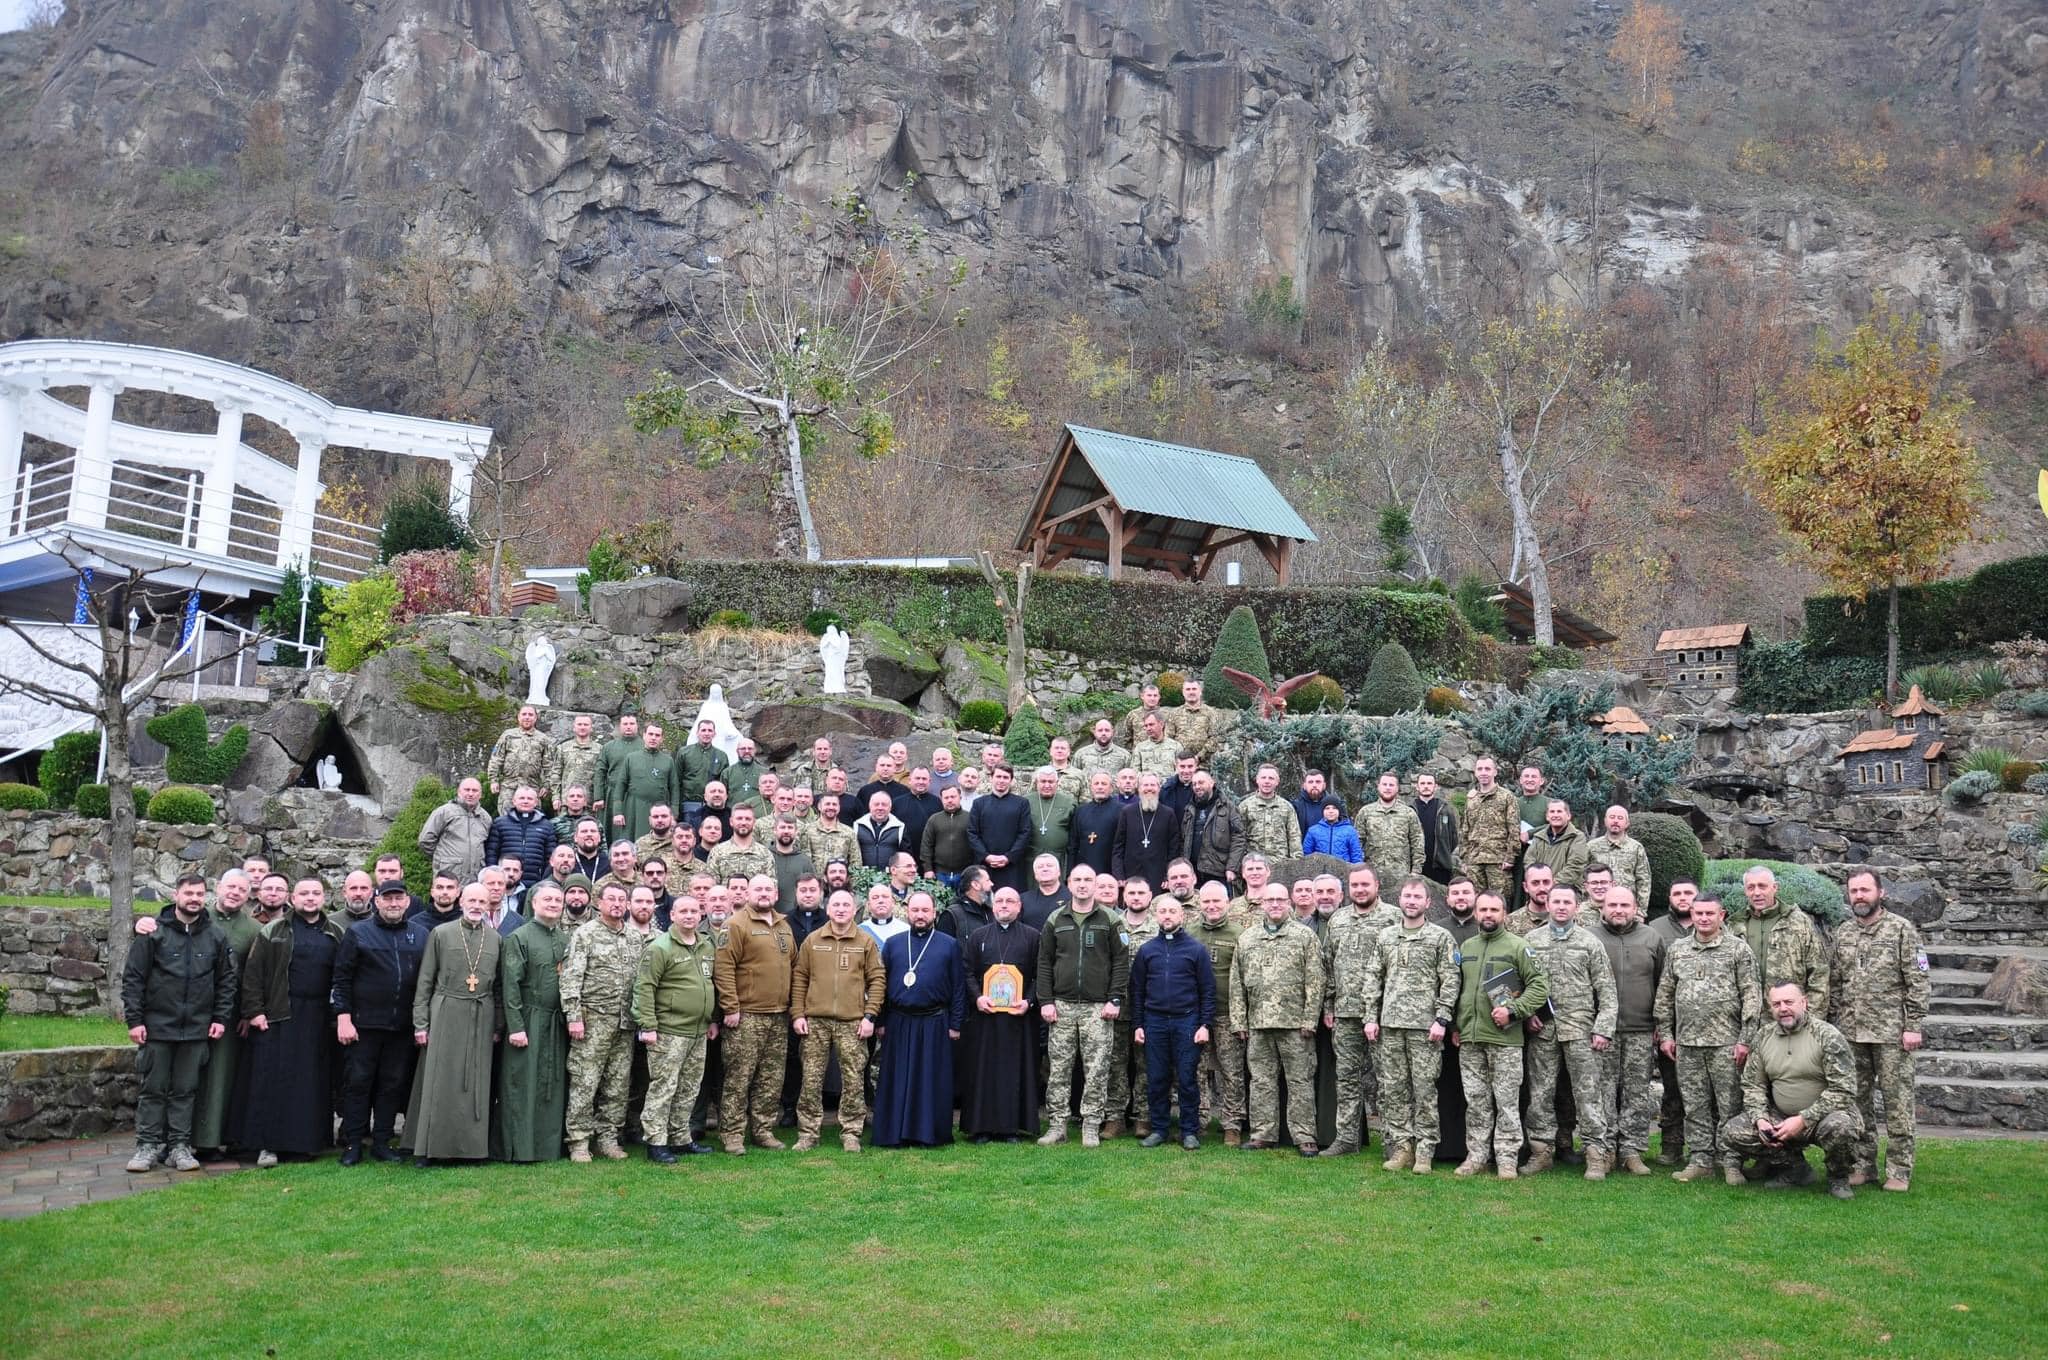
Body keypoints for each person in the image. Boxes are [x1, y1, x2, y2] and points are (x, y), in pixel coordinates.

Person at [121, 874, 236, 1173]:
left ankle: (179, 1147)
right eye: (189, 893)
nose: (194, 898)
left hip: (196, 1028)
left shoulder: (215, 936)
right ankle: (147, 1146)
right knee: (153, 1089)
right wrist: (135, 1020)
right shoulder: (153, 933)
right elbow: (133, 979)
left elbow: (225, 981)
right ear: (176, 894)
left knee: (186, 1091)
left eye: (199, 893)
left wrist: (220, 1018)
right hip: (157, 1026)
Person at [1830, 869, 1928, 1192]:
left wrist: (1913, 1025)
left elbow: (1918, 980)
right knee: (1857, 1104)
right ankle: (1863, 1164)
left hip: (1891, 1034)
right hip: (1851, 1033)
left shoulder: (1902, 930)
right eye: (1854, 891)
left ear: (1880, 893)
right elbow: (1835, 982)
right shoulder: (1843, 933)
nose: (1859, 896)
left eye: (1865, 890)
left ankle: (1899, 1170)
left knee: (1897, 1104)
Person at [1722, 981, 1864, 1199]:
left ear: (1804, 1002)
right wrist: (1761, 1120)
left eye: (1789, 1002)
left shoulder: (1827, 1036)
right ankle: (1795, 1168)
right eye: (1776, 1004)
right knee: (1733, 1132)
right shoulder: (1763, 1037)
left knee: (1841, 1127)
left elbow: (1843, 1090)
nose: (1783, 1008)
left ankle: (1838, 1177)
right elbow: (1752, 1086)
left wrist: (1803, 1119)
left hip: (1823, 1116)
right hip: (1780, 1115)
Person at [1653, 894, 1759, 1185]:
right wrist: (1666, 1034)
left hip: (1726, 1042)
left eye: (1709, 913)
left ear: (1721, 915)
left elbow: (1752, 995)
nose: (1703, 918)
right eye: (1698, 913)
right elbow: (1665, 994)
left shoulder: (1738, 950)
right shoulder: (1679, 949)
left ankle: (1731, 1161)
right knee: (1694, 1105)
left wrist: (1745, 1039)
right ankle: (1700, 1159)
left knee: (1729, 1105)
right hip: (1687, 1043)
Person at [238, 877, 344, 1167]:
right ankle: (268, 1146)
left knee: (311, 1081)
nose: (310, 898)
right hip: (280, 1014)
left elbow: (344, 976)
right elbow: (253, 974)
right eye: (304, 893)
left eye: (316, 893)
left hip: (319, 1019)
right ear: (292, 899)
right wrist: (255, 1011)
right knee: (274, 1080)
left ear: (324, 898)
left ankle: (307, 1143)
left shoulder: (336, 932)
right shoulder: (274, 930)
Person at [1361, 877, 1460, 1172]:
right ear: (1400, 901)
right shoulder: (1387, 936)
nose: (1412, 901)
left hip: (1425, 1027)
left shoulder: (1440, 937)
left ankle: (1426, 1150)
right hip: (1390, 1026)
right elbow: (1373, 977)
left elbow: (1451, 980)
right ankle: (1402, 1147)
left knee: (1425, 1091)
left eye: (1418, 897)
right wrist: (1370, 1016)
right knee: (1393, 1090)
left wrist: (1442, 1018)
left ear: (1428, 902)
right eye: (1407, 896)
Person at [1520, 886, 1617, 1178]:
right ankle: (1541, 1152)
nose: (1561, 907)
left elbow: (1607, 990)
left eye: (1567, 902)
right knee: (1540, 1094)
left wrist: (1603, 1029)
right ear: (1547, 904)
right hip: (1543, 1030)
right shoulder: (1531, 940)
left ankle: (1596, 1155)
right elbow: (1520, 985)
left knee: (1588, 1095)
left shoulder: (1590, 942)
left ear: (1577, 907)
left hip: (1581, 1031)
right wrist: (1526, 1016)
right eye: (1556, 901)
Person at [1451, 892, 1549, 1178]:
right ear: (1476, 913)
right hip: (1470, 1038)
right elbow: (1459, 991)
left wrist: (1515, 1010)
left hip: (1505, 1039)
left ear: (1504, 913)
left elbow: (1539, 987)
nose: (1488, 914)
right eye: (1483, 909)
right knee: (1476, 1101)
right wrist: (1457, 1026)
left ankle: (1506, 1157)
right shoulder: (1467, 946)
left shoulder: (1519, 946)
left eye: (1494, 909)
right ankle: (1477, 1155)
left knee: (1506, 1102)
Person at [331, 882, 430, 1166]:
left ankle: (382, 1141)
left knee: (392, 1084)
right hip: (364, 1025)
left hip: (401, 1027)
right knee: (358, 1083)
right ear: (377, 902)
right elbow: (342, 978)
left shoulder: (419, 935)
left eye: (399, 899)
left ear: (407, 902)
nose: (393, 904)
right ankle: (352, 1143)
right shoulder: (359, 933)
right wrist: (343, 1017)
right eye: (388, 899)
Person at [403, 883, 502, 1165]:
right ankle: (430, 1148)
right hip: (445, 1011)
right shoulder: (441, 934)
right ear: (461, 901)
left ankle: (471, 1149)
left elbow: (498, 987)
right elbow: (425, 981)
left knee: (475, 1082)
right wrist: (421, 1024)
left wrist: (498, 1024)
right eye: (471, 899)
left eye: (481, 901)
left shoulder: (495, 938)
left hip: (481, 1015)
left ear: (489, 905)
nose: (476, 905)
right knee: (439, 1080)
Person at [1035, 874, 1131, 1147]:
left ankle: (1091, 1125)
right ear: (1069, 884)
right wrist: (1046, 1001)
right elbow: (1044, 962)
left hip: (1098, 1008)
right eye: (1077, 879)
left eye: (1088, 879)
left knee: (1097, 1069)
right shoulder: (1056, 919)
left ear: (1095, 885)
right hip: (1062, 1006)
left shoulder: (1111, 920)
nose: (1082, 884)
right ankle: (1057, 1126)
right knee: (1059, 1069)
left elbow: (1121, 963)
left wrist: (1114, 999)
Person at [1232, 882, 1324, 1155]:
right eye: (1270, 900)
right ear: (1262, 903)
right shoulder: (1247, 938)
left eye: (1280, 900)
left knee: (1300, 1081)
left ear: (1289, 903)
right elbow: (1237, 983)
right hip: (1258, 1023)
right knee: (1261, 1081)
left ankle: (1304, 1135)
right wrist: (1239, 1021)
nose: (1274, 904)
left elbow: (1316, 981)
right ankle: (1263, 1133)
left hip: (1295, 1024)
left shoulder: (1304, 936)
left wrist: (1310, 1019)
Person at [790, 888, 885, 1152]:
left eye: (846, 905)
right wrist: (798, 1014)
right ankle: (808, 1132)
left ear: (854, 910)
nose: (841, 909)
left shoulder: (865, 942)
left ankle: (851, 1132)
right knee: (811, 1078)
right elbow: (799, 978)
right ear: (828, 909)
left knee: (853, 1079)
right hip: (815, 1021)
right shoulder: (812, 940)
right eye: (836, 905)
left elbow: (877, 980)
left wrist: (870, 1016)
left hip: (852, 1022)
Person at [872, 891, 965, 1147]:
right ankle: (894, 1134)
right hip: (899, 1022)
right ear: (908, 912)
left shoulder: (948, 944)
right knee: (897, 1079)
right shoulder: (894, 944)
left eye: (925, 911)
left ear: (934, 912)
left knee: (929, 1081)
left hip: (934, 1022)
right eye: (915, 910)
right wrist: (880, 1021)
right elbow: (881, 985)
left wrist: (955, 1024)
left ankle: (928, 1134)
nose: (920, 915)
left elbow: (958, 987)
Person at [562, 882, 648, 1161]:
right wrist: (573, 1016)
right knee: (585, 1082)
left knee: (618, 1084)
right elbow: (571, 978)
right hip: (593, 1020)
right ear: (598, 903)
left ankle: (608, 1138)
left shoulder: (634, 937)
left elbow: (641, 981)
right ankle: (578, 1141)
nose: (617, 904)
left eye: (622, 899)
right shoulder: (585, 934)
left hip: (624, 1023)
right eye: (611, 898)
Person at [633, 892, 720, 1162]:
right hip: (669, 1031)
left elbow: (710, 985)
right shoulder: (660, 947)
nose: (689, 916)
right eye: (683, 911)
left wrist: (712, 1018)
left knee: (689, 1087)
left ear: (700, 914)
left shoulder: (707, 946)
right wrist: (647, 1025)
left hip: (698, 1031)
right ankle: (656, 1142)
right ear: (672, 915)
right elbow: (644, 987)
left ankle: (680, 1137)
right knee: (663, 1087)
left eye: (694, 911)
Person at [1587, 886, 1666, 1177]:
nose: (1618, 910)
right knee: (1603, 1092)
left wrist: (1660, 1024)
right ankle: (1604, 1149)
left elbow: (1662, 984)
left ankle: (1632, 1150)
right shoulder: (1590, 938)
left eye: (1624, 905)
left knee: (1636, 1093)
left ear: (1635, 908)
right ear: (1602, 908)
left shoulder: (1651, 938)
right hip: (1601, 1031)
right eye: (1613, 905)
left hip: (1641, 1029)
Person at [715, 875, 796, 1154]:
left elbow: (793, 966)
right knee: (739, 1077)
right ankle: (733, 1133)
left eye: (768, 889)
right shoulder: (735, 925)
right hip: (746, 1015)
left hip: (778, 1015)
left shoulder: (784, 925)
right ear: (747, 893)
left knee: (771, 1078)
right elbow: (723, 969)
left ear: (776, 893)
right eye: (758, 889)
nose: (764, 893)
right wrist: (731, 1007)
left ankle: (763, 1130)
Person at [1130, 894, 1214, 1150]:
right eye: (1163, 911)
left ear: (1182, 916)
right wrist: (1138, 1025)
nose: (1167, 915)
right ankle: (1159, 1129)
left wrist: (1204, 1025)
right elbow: (1137, 991)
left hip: (1187, 1022)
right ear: (1157, 916)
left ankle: (1189, 1131)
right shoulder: (1147, 951)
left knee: (1187, 1078)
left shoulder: (1196, 950)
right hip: (1154, 1022)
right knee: (1156, 1078)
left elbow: (1207, 990)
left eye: (1172, 911)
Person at [1316, 869, 1391, 1157]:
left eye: (1365, 884)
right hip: (1346, 1012)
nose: (1360, 889)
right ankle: (1347, 1139)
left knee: (1387, 1080)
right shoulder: (1339, 919)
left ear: (1376, 885)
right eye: (1355, 885)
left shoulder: (1392, 918)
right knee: (1346, 1078)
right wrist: (1329, 1005)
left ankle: (1392, 1141)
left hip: (1383, 1013)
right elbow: (1329, 964)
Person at [959, 886, 1042, 1143]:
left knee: (1014, 1072)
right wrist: (978, 997)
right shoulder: (978, 936)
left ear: (1019, 907)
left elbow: (1040, 975)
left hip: (1018, 1019)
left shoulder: (1033, 937)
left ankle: (1010, 1128)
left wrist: (1029, 1001)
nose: (1004, 905)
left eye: (1010, 901)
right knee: (982, 1071)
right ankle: (981, 1128)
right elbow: (968, 971)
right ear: (993, 907)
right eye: (1000, 901)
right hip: (985, 1017)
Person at [498, 880, 572, 1163]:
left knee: (550, 1085)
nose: (553, 904)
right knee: (523, 1083)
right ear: (533, 903)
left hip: (555, 1023)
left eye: (557, 900)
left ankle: (548, 1147)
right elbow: (511, 987)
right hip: (529, 1020)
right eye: (548, 900)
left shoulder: (565, 939)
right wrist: (516, 1027)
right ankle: (520, 1147)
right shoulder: (520, 937)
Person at [192, 870, 259, 1159]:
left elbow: (254, 976)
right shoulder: (195, 919)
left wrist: (248, 1012)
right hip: (190, 1011)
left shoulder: (253, 930)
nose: (235, 893)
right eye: (230, 886)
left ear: (248, 895)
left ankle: (211, 1140)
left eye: (242, 890)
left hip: (231, 1016)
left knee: (221, 1078)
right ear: (218, 887)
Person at [1187, 882, 1248, 1144]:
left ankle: (1232, 1123)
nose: (1211, 906)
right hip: (1195, 1014)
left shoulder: (1239, 934)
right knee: (1196, 1069)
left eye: (1217, 902)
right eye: (1207, 902)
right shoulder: (1189, 933)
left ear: (1227, 903)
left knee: (1230, 1070)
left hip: (1227, 1013)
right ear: (1200, 903)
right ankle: (1199, 1119)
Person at [1735, 865, 1830, 1017]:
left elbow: (1819, 974)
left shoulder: (1799, 923)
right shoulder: (1736, 925)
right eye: (1751, 887)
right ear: (1745, 891)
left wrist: (1812, 1019)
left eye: (1762, 886)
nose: (1757, 893)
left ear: (1775, 887)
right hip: (1749, 1020)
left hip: (1789, 1018)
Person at [1106, 875, 1159, 1138]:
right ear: (1123, 896)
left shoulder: (1159, 927)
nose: (1136, 897)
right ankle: (1114, 1118)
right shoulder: (1112, 925)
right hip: (1116, 1008)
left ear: (1150, 896)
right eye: (1131, 893)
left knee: (1146, 1066)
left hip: (1148, 1008)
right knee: (1115, 1065)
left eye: (1141, 893)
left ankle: (1143, 1117)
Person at [1458, 757, 1520, 897]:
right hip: (1475, 860)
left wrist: (1510, 857)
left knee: (1499, 902)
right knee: (1476, 902)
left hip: (1498, 859)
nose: (1483, 773)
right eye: (1480, 769)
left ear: (1495, 772)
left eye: (1487, 769)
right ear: (1475, 773)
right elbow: (1465, 830)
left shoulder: (1506, 797)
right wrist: (1465, 858)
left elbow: (1514, 829)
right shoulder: (1472, 799)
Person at [610, 722, 680, 842]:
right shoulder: (631, 758)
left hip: (659, 809)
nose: (653, 738)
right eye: (650, 734)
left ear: (662, 739)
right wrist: (617, 811)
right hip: (633, 809)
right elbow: (620, 786)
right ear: (644, 735)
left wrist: (673, 814)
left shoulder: (668, 761)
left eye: (657, 735)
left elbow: (674, 789)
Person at [967, 764, 1032, 893]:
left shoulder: (1022, 803)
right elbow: (972, 832)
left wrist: (1008, 857)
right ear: (991, 778)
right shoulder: (979, 804)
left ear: (1011, 780)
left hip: (1012, 866)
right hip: (985, 866)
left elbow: (1025, 832)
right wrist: (986, 856)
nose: (1001, 780)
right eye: (998, 776)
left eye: (1005, 777)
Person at [418, 777, 492, 886]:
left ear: (480, 794)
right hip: (448, 879)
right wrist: (443, 858)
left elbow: (487, 846)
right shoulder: (444, 812)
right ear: (458, 792)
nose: (470, 794)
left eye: (474, 790)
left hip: (475, 881)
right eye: (466, 790)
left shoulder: (485, 818)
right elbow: (425, 840)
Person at [1113, 773, 1180, 891]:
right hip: (1130, 875)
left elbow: (1173, 850)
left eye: (1153, 785)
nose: (1149, 788)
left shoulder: (1168, 814)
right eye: (1145, 785)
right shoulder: (1127, 812)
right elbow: (1118, 847)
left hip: (1159, 878)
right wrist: (1119, 875)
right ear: (1139, 789)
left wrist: (1168, 876)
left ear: (1159, 788)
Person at [1179, 770, 1246, 886]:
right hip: (1193, 872)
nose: (1197, 787)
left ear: (1211, 783)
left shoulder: (1227, 807)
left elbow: (1239, 838)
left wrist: (1232, 868)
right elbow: (1182, 840)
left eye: (1201, 783)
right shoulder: (1189, 809)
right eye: (1194, 784)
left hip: (1218, 871)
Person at [487, 784, 559, 889]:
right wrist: (494, 876)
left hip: (535, 882)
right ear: (514, 801)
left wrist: (544, 878)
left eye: (529, 798)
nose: (525, 801)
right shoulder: (500, 823)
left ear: (536, 802)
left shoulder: (546, 826)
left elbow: (550, 857)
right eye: (522, 798)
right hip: (505, 882)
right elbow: (491, 853)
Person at [487, 703, 560, 804]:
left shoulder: (543, 739)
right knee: (508, 818)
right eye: (524, 714)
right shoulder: (508, 735)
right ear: (518, 717)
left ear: (535, 718)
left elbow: (549, 765)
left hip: (532, 788)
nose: (527, 717)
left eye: (530, 715)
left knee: (533, 818)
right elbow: (496, 758)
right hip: (509, 787)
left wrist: (547, 785)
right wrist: (493, 780)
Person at [1357, 772, 1424, 878]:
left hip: (1400, 875)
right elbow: (1358, 842)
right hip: (1372, 874)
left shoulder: (1408, 813)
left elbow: (1417, 843)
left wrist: (1416, 871)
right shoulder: (1365, 812)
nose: (1387, 788)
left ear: (1397, 788)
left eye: (1391, 785)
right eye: (1384, 784)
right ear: (1378, 786)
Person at [1238, 764, 1301, 863]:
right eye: (1263, 778)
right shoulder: (1245, 806)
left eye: (1271, 778)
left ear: (1277, 782)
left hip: (1281, 863)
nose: (1267, 781)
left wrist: (1297, 861)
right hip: (1253, 863)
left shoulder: (1287, 807)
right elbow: (1238, 836)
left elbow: (1294, 836)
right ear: (1257, 780)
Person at [1590, 806, 1653, 906]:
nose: (1615, 821)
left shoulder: (1636, 848)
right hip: (1596, 907)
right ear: (1605, 821)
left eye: (1620, 818)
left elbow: (1644, 880)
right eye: (1612, 817)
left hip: (1626, 906)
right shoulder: (1592, 846)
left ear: (1627, 823)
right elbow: (1582, 877)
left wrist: (1641, 910)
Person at [1524, 799, 1590, 889]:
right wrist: (1539, 882)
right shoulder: (1538, 837)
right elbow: (1529, 861)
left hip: (1566, 890)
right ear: (1547, 816)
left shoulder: (1577, 837)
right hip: (1539, 890)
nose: (1555, 815)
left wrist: (1553, 883)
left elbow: (1575, 865)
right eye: (1552, 812)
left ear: (1568, 816)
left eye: (1559, 811)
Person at [675, 718, 729, 825]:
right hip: (689, 803)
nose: (706, 733)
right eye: (703, 730)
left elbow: (724, 784)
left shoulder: (721, 756)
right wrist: (676, 806)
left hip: (712, 804)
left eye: (710, 730)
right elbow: (676, 780)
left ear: (714, 734)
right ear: (697, 733)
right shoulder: (684, 753)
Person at [1023, 766, 1077, 872]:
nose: (1047, 785)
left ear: (1057, 783)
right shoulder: (1025, 801)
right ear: (1037, 783)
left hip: (1060, 858)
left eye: (1051, 782)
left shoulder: (1069, 802)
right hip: (1030, 858)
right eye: (1043, 781)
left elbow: (1074, 834)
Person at [707, 804, 775, 884]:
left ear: (754, 822)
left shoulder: (765, 854)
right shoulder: (717, 852)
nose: (743, 822)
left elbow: (771, 886)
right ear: (731, 822)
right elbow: (711, 887)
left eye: (748, 819)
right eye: (739, 819)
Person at [919, 784, 974, 883]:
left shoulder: (970, 818)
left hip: (965, 873)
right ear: (942, 799)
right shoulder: (934, 819)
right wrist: (928, 869)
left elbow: (976, 844)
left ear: (960, 797)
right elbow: (926, 846)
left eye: (953, 797)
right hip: (940, 874)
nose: (949, 800)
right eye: (946, 797)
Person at [1414, 773, 1459, 886]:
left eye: (1429, 783)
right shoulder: (1410, 809)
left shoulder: (1446, 809)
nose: (1426, 786)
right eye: (1422, 783)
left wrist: (1443, 853)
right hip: (1417, 867)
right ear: (1417, 786)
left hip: (1440, 867)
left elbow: (1454, 837)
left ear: (1436, 786)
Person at [557, 714, 603, 819]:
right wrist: (556, 797)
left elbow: (602, 776)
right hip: (566, 802)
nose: (582, 727)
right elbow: (556, 773)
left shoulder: (600, 749)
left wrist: (599, 798)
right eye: (579, 724)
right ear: (574, 727)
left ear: (591, 728)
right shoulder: (563, 748)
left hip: (590, 802)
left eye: (586, 724)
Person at [804, 793, 860, 873]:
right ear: (819, 807)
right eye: (827, 804)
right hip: (815, 882)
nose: (831, 807)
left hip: (839, 882)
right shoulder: (807, 830)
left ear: (839, 808)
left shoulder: (849, 832)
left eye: (834, 804)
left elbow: (856, 863)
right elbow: (805, 862)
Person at [854, 792, 908, 871]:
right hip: (864, 877)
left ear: (890, 807)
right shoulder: (857, 826)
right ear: (870, 806)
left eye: (884, 805)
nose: (880, 808)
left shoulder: (900, 827)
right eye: (876, 804)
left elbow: (906, 856)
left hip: (890, 878)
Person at [938, 866, 995, 940]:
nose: (992, 884)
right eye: (988, 880)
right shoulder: (952, 915)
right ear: (975, 885)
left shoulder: (990, 912)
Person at [1019, 857, 1074, 931]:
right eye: (1040, 867)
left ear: (1059, 872)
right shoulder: (1024, 899)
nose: (1045, 869)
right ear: (1035, 875)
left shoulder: (1073, 897)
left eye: (1049, 865)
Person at [1074, 718, 1130, 787]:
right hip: (1087, 797)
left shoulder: (1124, 755)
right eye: (1100, 730)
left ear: (1113, 732)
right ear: (1094, 733)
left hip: (1115, 797)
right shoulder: (1081, 754)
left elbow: (1130, 780)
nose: (1103, 733)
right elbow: (1074, 778)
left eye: (1107, 730)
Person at [1289, 769, 1343, 840]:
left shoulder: (1336, 805)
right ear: (1304, 785)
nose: (1314, 785)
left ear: (1324, 785)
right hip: (1305, 849)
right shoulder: (1295, 806)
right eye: (1310, 782)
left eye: (1318, 782)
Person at [1129, 711, 1178, 780]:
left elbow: (1180, 770)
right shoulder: (1140, 747)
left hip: (1169, 788)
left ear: (1161, 724)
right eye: (1146, 726)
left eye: (1151, 724)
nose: (1148, 728)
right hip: (1148, 787)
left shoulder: (1175, 746)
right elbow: (1135, 771)